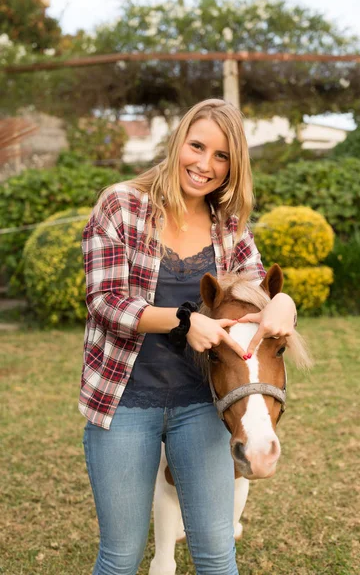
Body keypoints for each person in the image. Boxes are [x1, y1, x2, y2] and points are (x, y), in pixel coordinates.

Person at [80, 98, 297, 575]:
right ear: (178, 141)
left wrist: (285, 302)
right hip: (124, 404)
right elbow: (106, 301)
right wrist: (185, 320)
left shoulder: (229, 225)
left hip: (201, 404)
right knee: (119, 556)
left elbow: (259, 291)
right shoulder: (121, 205)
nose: (205, 165)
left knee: (217, 556)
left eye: (222, 157)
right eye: (197, 146)